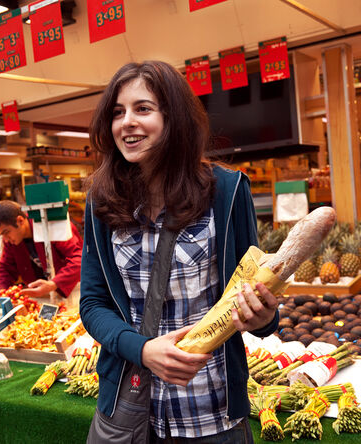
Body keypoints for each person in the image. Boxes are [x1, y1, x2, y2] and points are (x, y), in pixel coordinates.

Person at [79, 61, 279, 443]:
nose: (126, 123)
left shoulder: (227, 191)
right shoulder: (101, 202)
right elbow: (92, 302)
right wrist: (143, 349)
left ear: (173, 118)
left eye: (143, 109)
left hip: (211, 411)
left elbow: (253, 298)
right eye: (117, 113)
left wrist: (264, 315)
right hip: (134, 408)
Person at [0, 200, 82, 299]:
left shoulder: (52, 225)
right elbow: (6, 269)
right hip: (41, 296)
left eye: (6, 232)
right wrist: (1, 293)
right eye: (1, 235)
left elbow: (79, 259)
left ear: (20, 221)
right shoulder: (10, 241)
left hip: (71, 291)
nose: (5, 239)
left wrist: (54, 283)